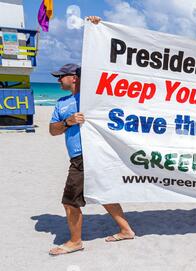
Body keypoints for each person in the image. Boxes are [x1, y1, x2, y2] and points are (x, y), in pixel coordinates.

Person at [48, 16, 135, 256]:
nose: (57, 80)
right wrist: (67, 122)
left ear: (73, 78)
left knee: (69, 201)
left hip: (90, 155)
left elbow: (107, 65)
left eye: (61, 76)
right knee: (104, 193)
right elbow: (52, 130)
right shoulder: (62, 103)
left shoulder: (92, 95)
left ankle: (75, 241)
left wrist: (97, 27)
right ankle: (126, 230)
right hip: (77, 155)